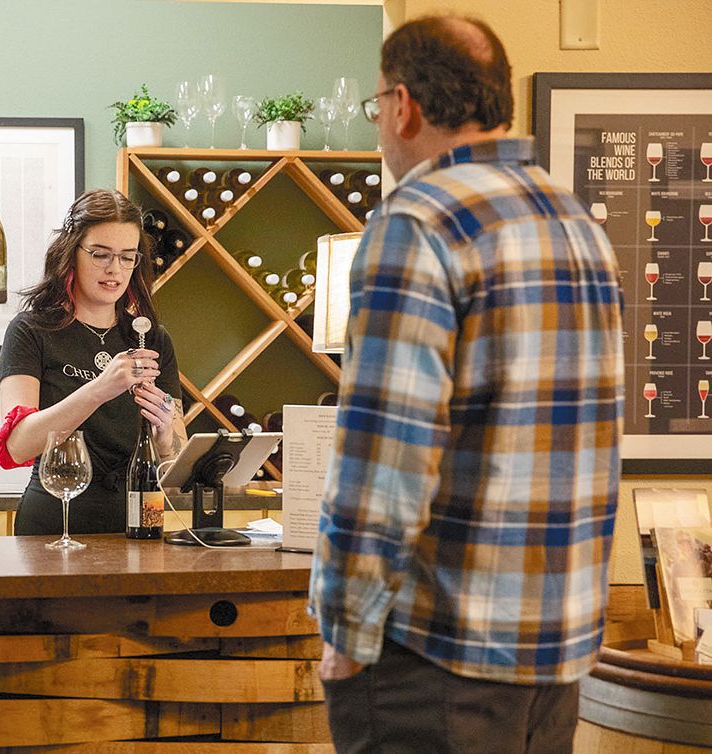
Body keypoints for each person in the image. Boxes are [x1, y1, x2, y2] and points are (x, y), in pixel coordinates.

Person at [308, 13, 624, 754]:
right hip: (556, 656)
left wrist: (347, 634)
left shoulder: (417, 221)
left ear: (405, 104)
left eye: (378, 105)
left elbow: (387, 457)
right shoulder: (575, 221)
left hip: (436, 660)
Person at [0, 189, 187, 535]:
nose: (115, 270)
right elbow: (18, 444)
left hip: (139, 522)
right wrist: (100, 388)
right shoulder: (30, 331)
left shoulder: (153, 339)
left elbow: (174, 465)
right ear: (71, 253)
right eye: (100, 255)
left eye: (128, 257)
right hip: (53, 521)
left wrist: (164, 432)